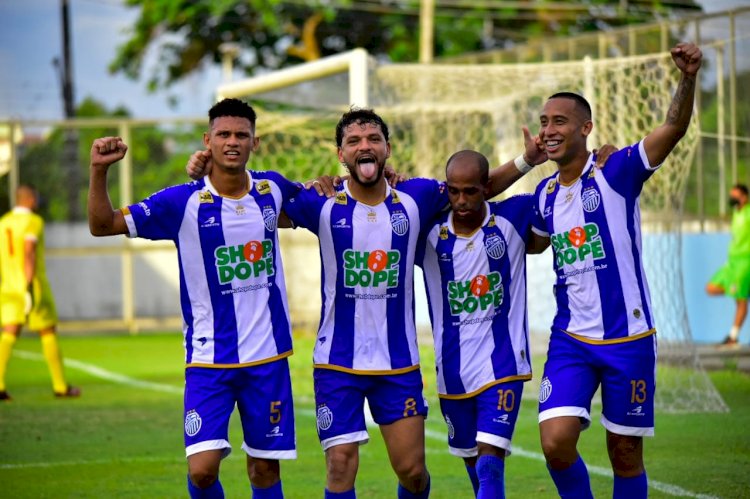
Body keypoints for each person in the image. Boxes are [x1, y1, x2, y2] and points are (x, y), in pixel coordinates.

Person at [205, 107, 544, 499]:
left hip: (397, 363)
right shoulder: (321, 201)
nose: (364, 146)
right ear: (340, 154)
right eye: (353, 141)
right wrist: (205, 167)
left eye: (372, 140)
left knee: (413, 473)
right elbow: (249, 197)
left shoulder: (417, 196)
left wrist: (527, 160)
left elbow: (473, 185)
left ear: (387, 149)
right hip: (337, 361)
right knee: (341, 465)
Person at [87, 98, 301, 499]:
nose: (232, 142)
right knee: (202, 472)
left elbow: (331, 207)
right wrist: (99, 170)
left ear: (255, 142)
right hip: (208, 360)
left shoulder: (273, 190)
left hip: (267, 357)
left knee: (264, 469)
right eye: (224, 134)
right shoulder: (180, 202)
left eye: (241, 135)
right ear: (208, 140)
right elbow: (102, 225)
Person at [527, 42, 703, 498]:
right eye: (544, 121)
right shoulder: (544, 196)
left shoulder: (616, 170)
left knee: (624, 453)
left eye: (559, 121)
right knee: (555, 442)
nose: (549, 129)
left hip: (629, 337)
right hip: (571, 339)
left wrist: (687, 77)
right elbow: (525, 239)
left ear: (585, 128)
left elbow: (673, 127)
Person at [418, 150, 539, 498]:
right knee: (473, 463)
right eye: (453, 191)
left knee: (490, 461)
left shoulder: (514, 218)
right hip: (452, 370)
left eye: (470, 191)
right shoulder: (429, 234)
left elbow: (558, 202)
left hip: (503, 365)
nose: (461, 200)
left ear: (487, 187)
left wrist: (529, 160)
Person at [0, 185, 81, 401]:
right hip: (31, 286)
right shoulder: (33, 221)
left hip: (8, 286)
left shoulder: (3, 222)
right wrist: (28, 285)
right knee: (47, 332)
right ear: (28, 200)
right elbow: (28, 251)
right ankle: (60, 386)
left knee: (9, 331)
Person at [706, 183, 750, 348]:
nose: (732, 198)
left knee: (741, 300)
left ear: (744, 197)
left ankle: (733, 337)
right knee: (711, 288)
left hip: (745, 261)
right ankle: (740, 289)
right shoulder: (736, 213)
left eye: (735, 196)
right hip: (732, 262)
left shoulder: (748, 213)